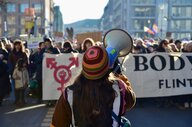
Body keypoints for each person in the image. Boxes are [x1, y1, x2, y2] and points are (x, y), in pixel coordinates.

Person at [50, 46, 136, 127]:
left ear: (84, 66)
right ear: (107, 67)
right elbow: (130, 103)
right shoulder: (120, 87)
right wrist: (122, 78)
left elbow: (57, 124)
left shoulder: (68, 93)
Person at [0, 41, 11, 106]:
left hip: (2, 72)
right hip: (3, 72)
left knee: (1, 88)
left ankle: (1, 100)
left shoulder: (4, 51)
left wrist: (2, 60)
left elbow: (7, 61)